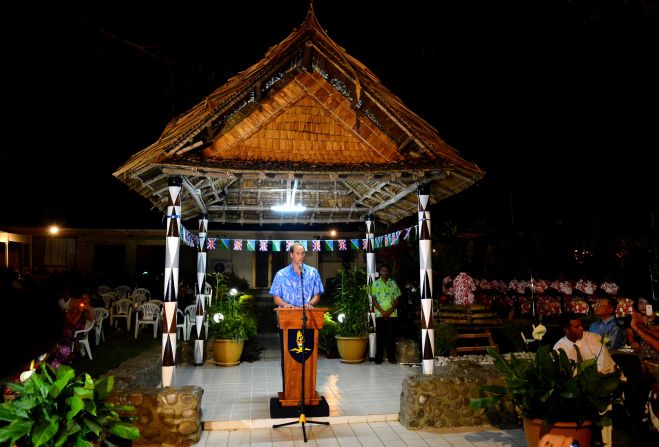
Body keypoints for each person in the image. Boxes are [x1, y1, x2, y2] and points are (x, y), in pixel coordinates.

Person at [269, 242, 324, 391]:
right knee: (288, 355)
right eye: (298, 253)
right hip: (287, 320)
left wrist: (311, 303)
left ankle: (307, 389)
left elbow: (317, 294)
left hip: (307, 320)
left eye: (303, 253)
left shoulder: (312, 272)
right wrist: (286, 305)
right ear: (291, 254)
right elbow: (276, 297)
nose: (301, 256)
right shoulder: (281, 274)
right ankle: (289, 389)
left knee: (306, 356)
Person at [370, 265, 401, 364]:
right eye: (383, 270)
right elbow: (373, 300)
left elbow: (397, 299)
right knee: (380, 337)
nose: (385, 272)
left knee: (391, 337)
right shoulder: (375, 284)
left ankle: (391, 357)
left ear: (388, 272)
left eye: (386, 271)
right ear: (380, 272)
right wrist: (383, 312)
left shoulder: (393, 283)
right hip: (380, 314)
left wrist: (390, 310)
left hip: (392, 314)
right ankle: (378, 358)